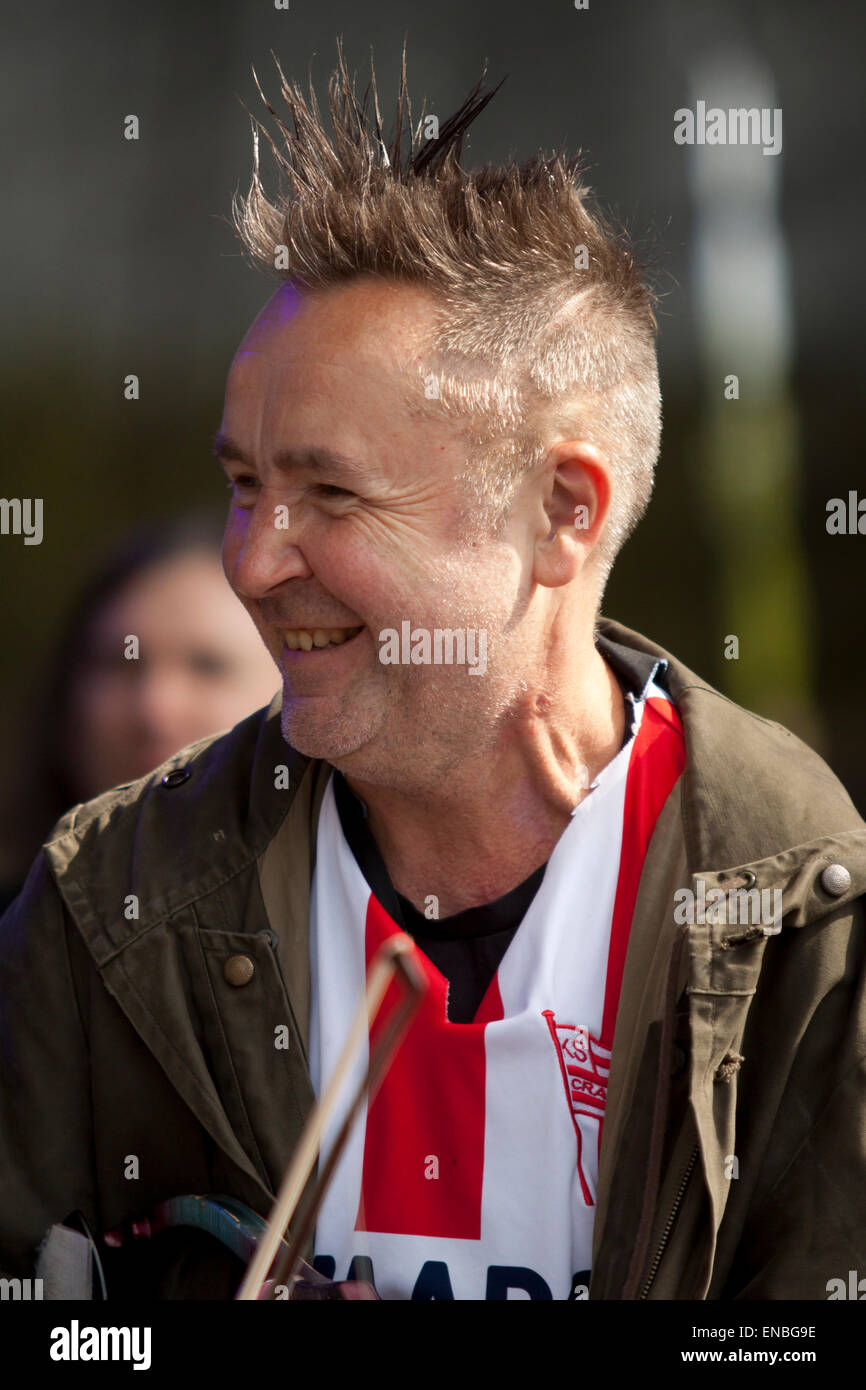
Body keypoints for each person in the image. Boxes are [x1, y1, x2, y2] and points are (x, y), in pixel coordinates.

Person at [1, 44, 864, 1302]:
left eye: (329, 493)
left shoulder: (804, 919)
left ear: (563, 510)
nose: (250, 563)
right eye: (245, 485)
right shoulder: (107, 895)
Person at [0, 515, 279, 914]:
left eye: (208, 666)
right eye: (120, 664)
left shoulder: (360, 941)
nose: (154, 709)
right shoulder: (14, 945)